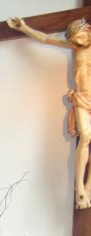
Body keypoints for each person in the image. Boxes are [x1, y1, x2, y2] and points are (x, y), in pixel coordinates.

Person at [8, 17, 91, 209]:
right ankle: (79, 187)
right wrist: (24, 28)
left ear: (87, 32)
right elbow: (45, 39)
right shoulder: (74, 47)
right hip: (81, 97)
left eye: (79, 38)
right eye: (74, 40)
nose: (77, 43)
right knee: (85, 136)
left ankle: (88, 187)